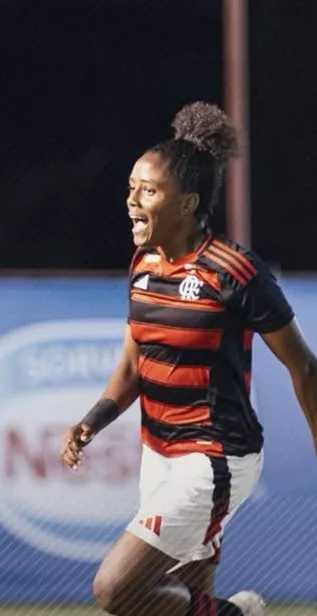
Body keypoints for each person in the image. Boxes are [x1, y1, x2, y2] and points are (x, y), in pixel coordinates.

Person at [59, 101, 317, 616]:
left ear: (187, 203)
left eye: (148, 190)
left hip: (214, 458)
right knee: (178, 602)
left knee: (116, 589)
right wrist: (93, 420)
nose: (132, 199)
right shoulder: (143, 262)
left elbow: (304, 367)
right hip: (158, 454)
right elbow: (136, 364)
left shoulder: (234, 272)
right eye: (132, 186)